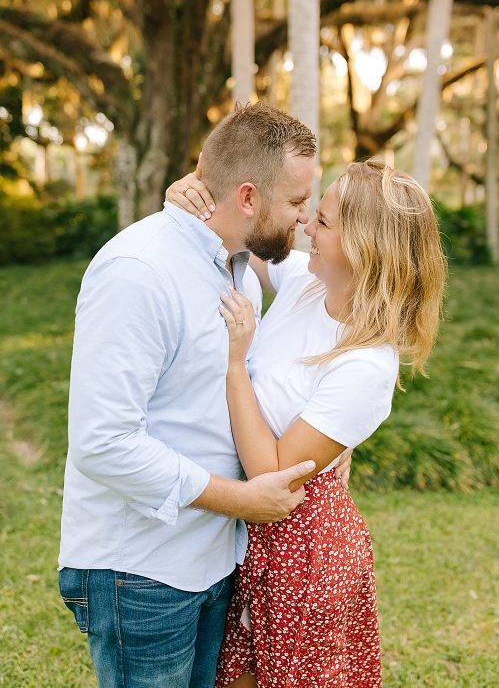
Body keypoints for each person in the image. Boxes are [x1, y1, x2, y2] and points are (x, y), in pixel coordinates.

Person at [58, 103, 325, 687]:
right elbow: (102, 443)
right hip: (141, 571)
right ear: (249, 198)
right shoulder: (139, 271)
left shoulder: (239, 269)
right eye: (298, 204)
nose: (305, 220)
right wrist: (241, 501)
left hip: (213, 559)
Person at [165, 158, 446, 687]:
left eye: (323, 220)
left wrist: (235, 364)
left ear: (364, 246)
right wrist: (194, 190)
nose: (304, 227)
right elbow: (241, 230)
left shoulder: (365, 365)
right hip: (251, 534)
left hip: (304, 553)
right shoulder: (304, 282)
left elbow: (270, 469)